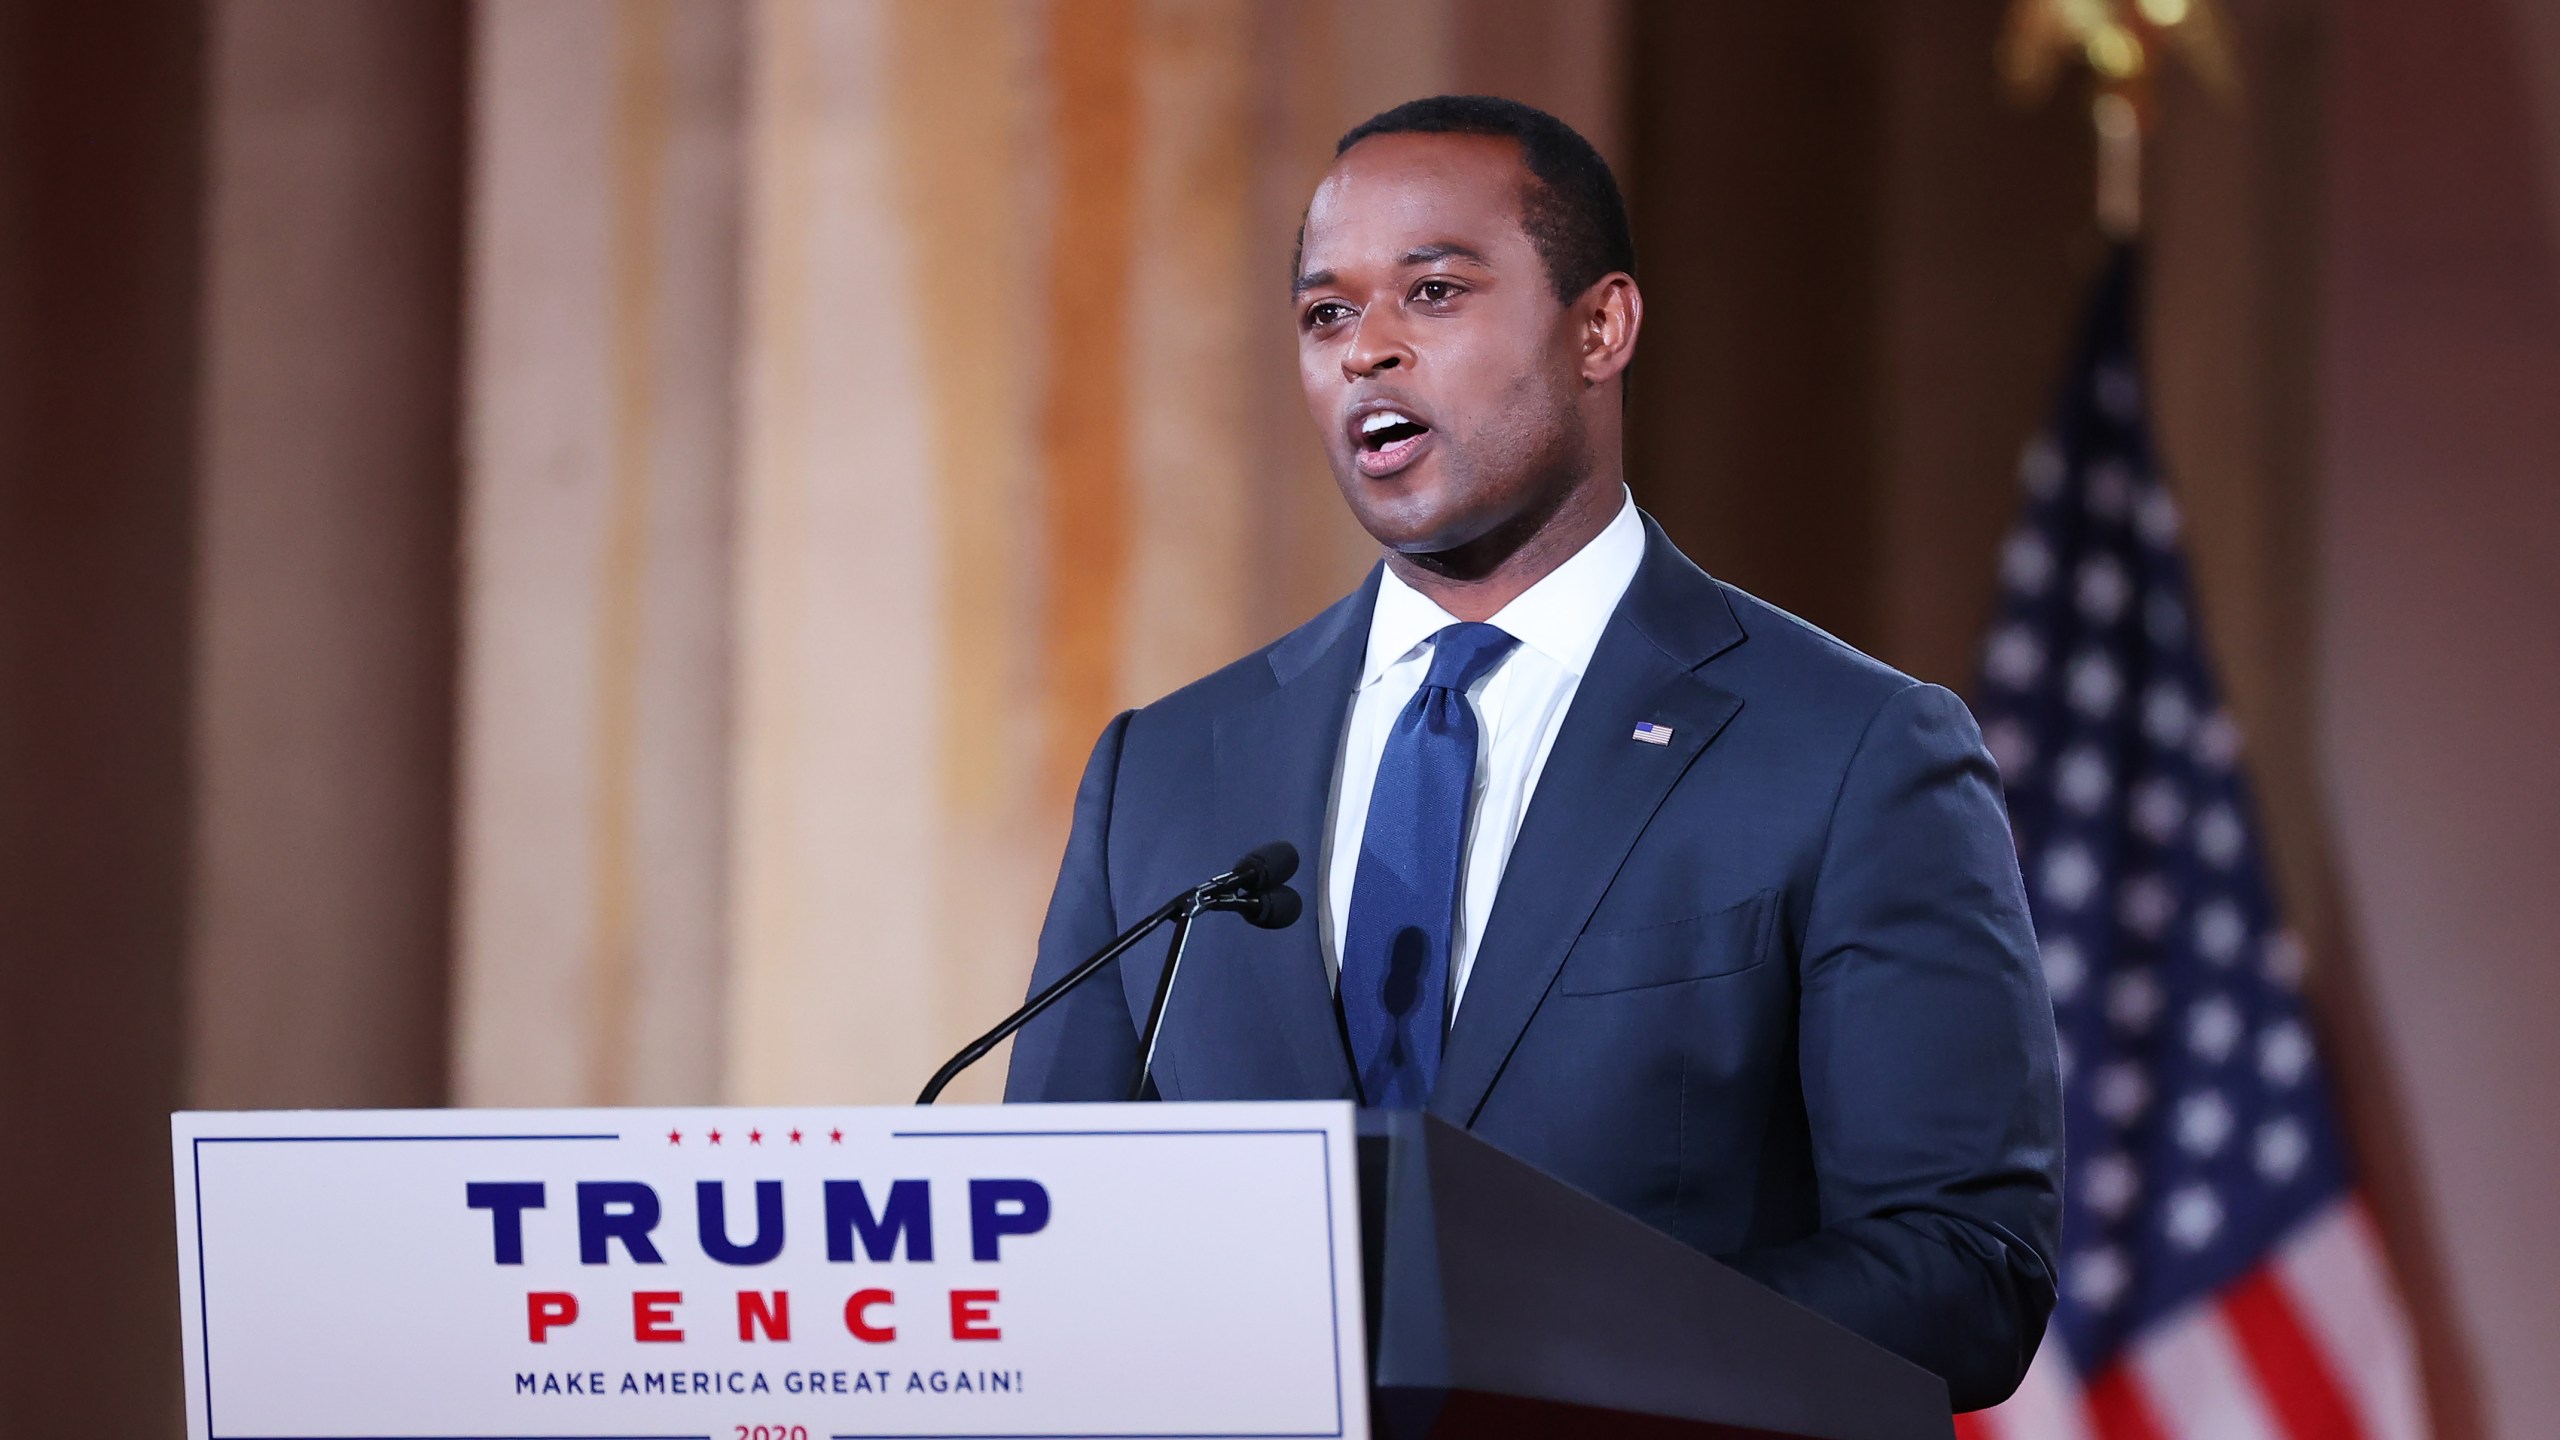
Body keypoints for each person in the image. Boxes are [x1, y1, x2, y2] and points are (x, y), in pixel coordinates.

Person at [1003, 94, 2061, 1410]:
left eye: (1432, 294)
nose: (1368, 353)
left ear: (1600, 326)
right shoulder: (1166, 770)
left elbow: (1966, 1272)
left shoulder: (1851, 751)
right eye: (1327, 315)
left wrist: (1534, 1344)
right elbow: (1037, 1241)